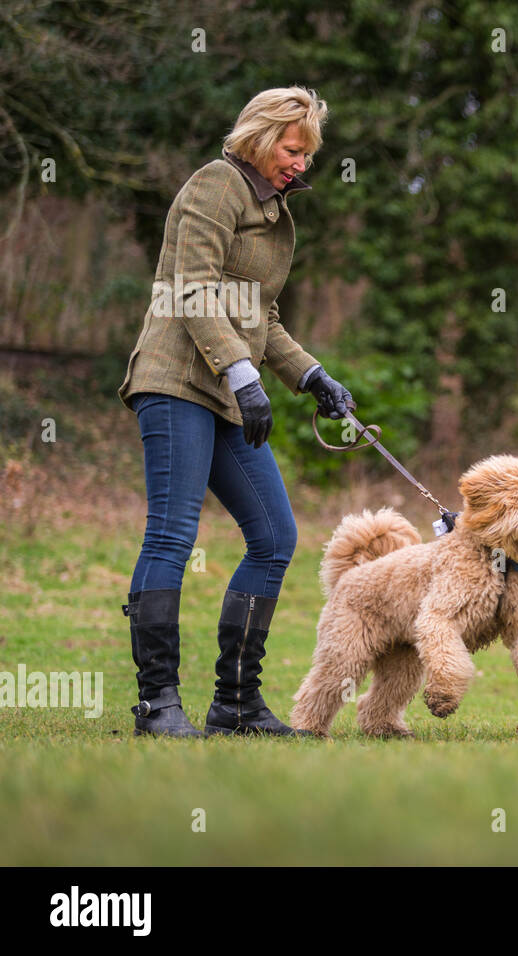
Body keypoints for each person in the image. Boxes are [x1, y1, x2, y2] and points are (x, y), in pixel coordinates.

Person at [117, 87, 354, 737]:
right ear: (259, 135)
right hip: (176, 379)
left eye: (307, 153)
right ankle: (157, 704)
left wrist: (312, 376)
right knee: (171, 534)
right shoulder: (215, 185)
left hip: (227, 387)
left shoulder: (273, 212)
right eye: (292, 148)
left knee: (276, 536)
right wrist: (244, 376)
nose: (300, 163)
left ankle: (237, 704)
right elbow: (189, 288)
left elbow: (261, 316)